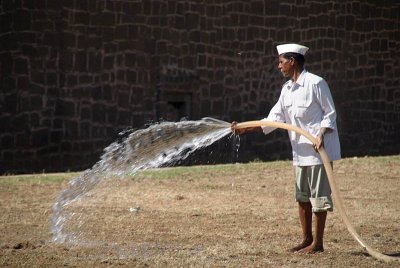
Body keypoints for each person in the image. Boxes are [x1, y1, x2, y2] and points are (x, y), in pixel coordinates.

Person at [231, 43, 341, 254]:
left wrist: (320, 135)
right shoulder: (287, 90)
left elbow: (330, 114)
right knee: (302, 197)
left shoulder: (316, 83)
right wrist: (245, 129)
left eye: (281, 62)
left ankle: (318, 244)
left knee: (318, 200)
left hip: (319, 153)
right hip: (299, 153)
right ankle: (306, 239)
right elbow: (273, 120)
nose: (278, 66)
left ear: (292, 61)